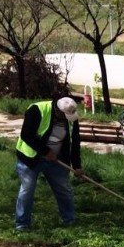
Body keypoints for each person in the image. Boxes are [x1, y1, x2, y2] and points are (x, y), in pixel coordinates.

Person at [14, 96, 83, 232]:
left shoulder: (71, 118)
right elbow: (26, 134)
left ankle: (69, 220)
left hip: (57, 160)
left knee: (64, 190)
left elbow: (75, 142)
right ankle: (22, 224)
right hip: (31, 158)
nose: (67, 119)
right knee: (27, 190)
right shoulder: (37, 109)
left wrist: (77, 165)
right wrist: (45, 151)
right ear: (58, 111)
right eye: (65, 116)